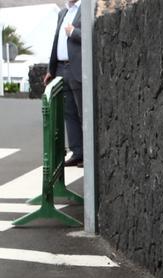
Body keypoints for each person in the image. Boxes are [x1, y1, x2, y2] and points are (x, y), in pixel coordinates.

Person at [45, 0, 83, 167]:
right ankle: (78, 153)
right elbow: (56, 42)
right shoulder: (63, 13)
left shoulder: (87, 8)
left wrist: (74, 32)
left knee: (84, 113)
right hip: (61, 68)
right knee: (69, 114)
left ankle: (89, 155)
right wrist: (50, 70)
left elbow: (92, 35)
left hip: (78, 69)